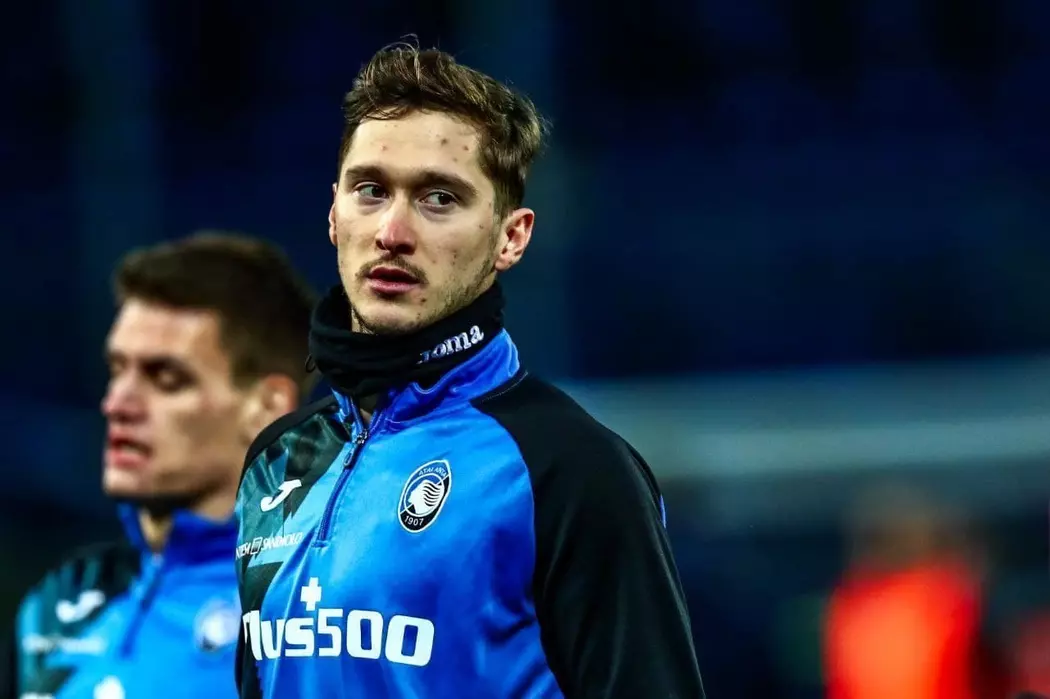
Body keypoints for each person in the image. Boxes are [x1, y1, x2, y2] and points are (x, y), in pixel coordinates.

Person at [234, 43, 705, 699]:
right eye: (371, 190)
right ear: (335, 213)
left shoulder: (572, 470)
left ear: (511, 236)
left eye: (438, 198)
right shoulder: (275, 461)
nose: (393, 231)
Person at [4, 232, 317, 698]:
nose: (117, 404)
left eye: (166, 378)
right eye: (117, 370)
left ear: (267, 407)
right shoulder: (60, 600)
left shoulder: (313, 612)